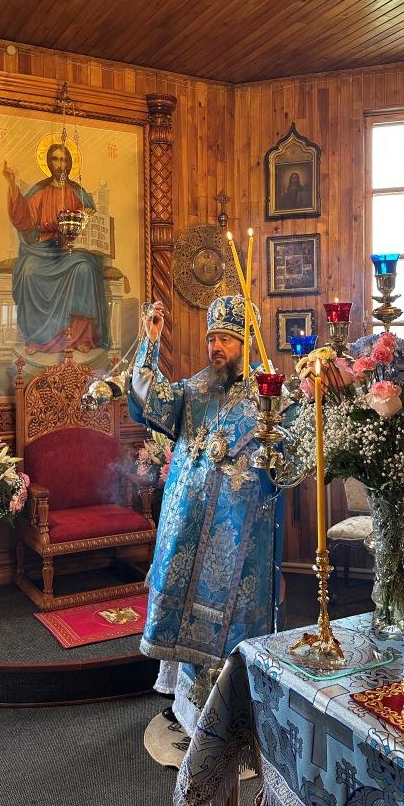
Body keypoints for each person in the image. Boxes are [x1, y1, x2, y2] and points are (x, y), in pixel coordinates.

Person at [128, 294, 286, 732]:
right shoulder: (195, 390)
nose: (216, 347)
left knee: (228, 620)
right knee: (184, 616)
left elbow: (286, 460)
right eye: (212, 338)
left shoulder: (269, 396)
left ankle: (230, 718)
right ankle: (189, 710)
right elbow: (149, 399)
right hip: (186, 527)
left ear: (246, 344)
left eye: (226, 340)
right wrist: (150, 342)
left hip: (236, 535)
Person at [3, 144, 110, 354]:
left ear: (69, 163)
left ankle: (82, 337)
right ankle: (38, 339)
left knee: (85, 270)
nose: (60, 164)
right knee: (29, 271)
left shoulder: (78, 192)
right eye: (55, 159)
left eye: (64, 159)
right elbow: (24, 219)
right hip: (44, 250)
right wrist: (13, 185)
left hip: (72, 250)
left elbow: (91, 225)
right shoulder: (40, 192)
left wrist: (88, 215)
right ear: (49, 163)